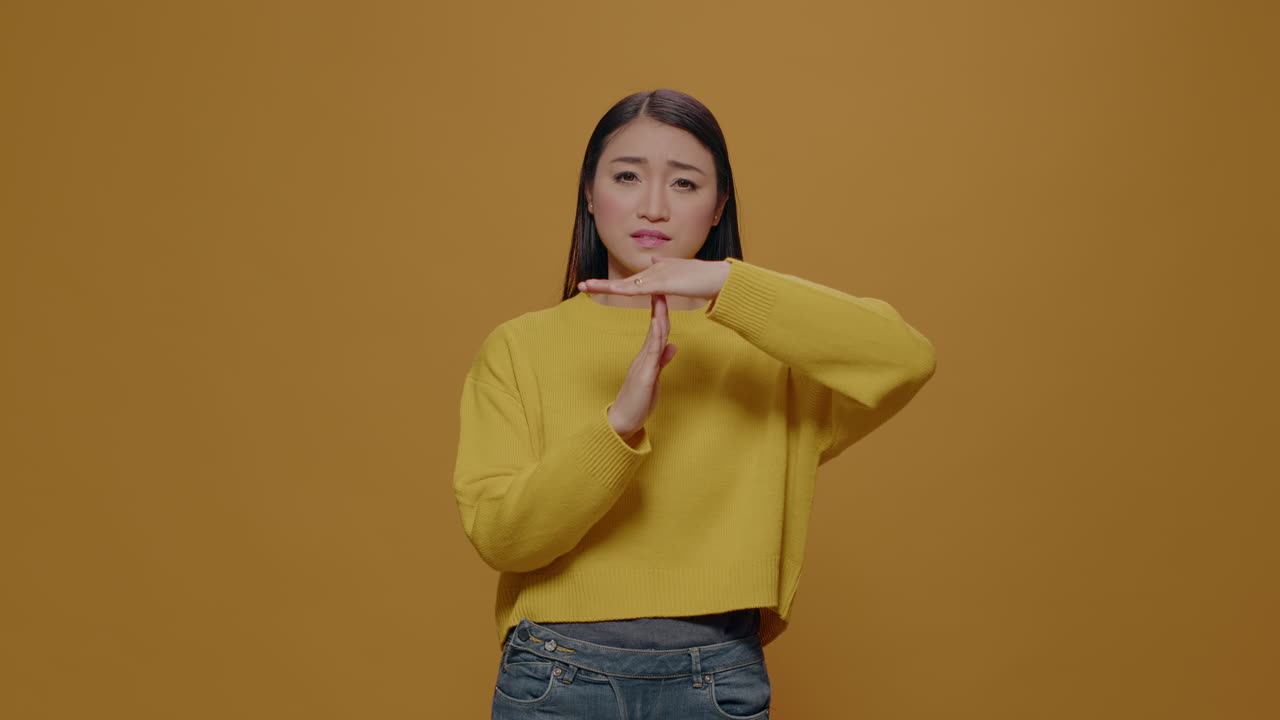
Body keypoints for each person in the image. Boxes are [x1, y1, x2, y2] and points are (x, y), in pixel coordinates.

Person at [451, 88, 937, 719]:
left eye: (684, 184)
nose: (653, 206)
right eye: (627, 176)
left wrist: (724, 281)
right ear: (590, 195)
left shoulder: (771, 351)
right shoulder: (520, 347)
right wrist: (618, 424)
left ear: (718, 207)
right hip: (554, 676)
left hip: (716, 677)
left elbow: (905, 357)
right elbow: (503, 539)